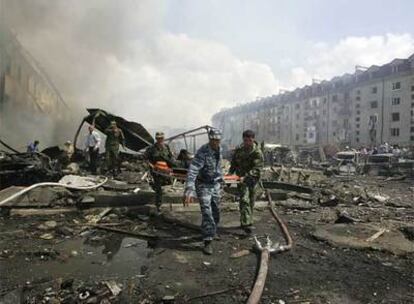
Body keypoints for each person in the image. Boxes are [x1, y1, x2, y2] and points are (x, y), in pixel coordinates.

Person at [184, 129, 223, 255]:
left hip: (215, 184)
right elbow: (193, 169)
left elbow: (218, 166)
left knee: (216, 209)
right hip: (203, 184)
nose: (215, 142)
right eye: (213, 140)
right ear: (210, 139)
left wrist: (221, 178)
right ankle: (207, 240)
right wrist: (190, 188)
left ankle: (212, 230)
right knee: (207, 211)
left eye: (217, 140)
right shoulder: (203, 151)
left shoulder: (219, 150)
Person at [229, 130, 264, 234]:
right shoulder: (239, 150)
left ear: (253, 139)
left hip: (253, 180)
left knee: (251, 201)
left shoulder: (257, 152)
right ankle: (246, 224)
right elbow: (233, 164)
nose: (247, 142)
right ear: (243, 139)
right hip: (241, 180)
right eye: (245, 140)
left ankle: (246, 220)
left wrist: (247, 176)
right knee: (244, 200)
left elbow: (258, 168)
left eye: (249, 140)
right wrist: (229, 176)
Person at [145, 132, 176, 212]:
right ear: (156, 139)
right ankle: (158, 205)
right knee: (158, 187)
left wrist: (171, 167)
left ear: (163, 138)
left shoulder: (166, 147)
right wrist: (152, 166)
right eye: (158, 138)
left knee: (165, 184)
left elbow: (171, 158)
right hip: (156, 170)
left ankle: (156, 188)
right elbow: (146, 159)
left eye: (161, 138)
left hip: (165, 170)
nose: (159, 140)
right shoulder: (151, 148)